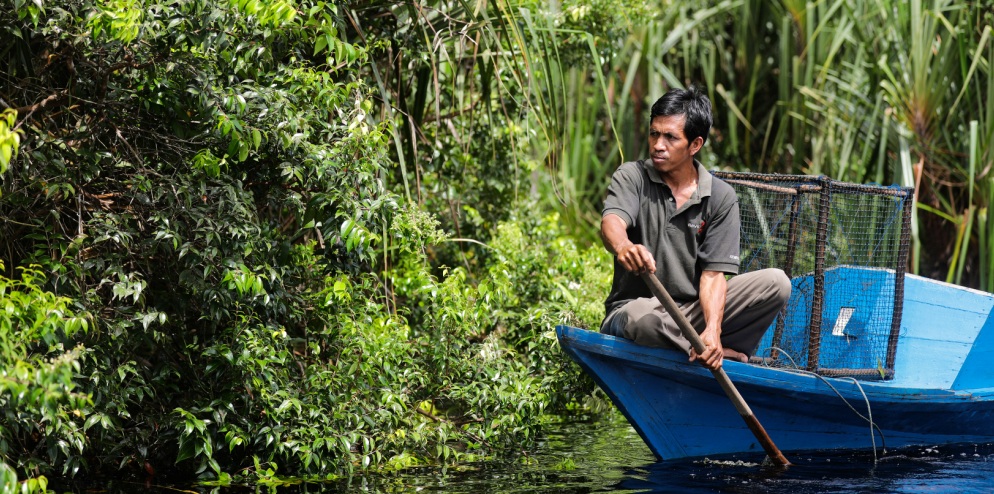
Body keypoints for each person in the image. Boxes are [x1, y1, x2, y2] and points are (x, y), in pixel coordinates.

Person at [599, 86, 790, 371]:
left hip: (690, 313)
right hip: (637, 310)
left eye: (670, 137)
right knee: (645, 319)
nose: (658, 145)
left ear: (695, 145)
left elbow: (713, 277)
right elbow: (612, 221)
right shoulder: (633, 176)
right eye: (654, 133)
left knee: (776, 283)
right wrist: (624, 246)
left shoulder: (720, 196)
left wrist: (712, 328)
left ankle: (710, 343)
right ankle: (705, 351)